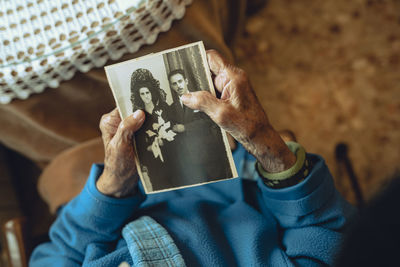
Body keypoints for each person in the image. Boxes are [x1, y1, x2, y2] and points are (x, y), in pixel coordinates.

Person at [30, 50, 355, 266]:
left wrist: (113, 186)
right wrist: (265, 144)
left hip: (99, 207)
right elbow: (331, 234)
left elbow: (57, 253)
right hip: (249, 179)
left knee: (31, 102)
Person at [167, 69, 233, 185]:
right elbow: (172, 127)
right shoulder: (171, 107)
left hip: (208, 153)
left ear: (186, 81)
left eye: (180, 81)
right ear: (171, 86)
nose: (178, 86)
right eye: (174, 84)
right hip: (189, 160)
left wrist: (185, 128)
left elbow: (210, 121)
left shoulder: (202, 97)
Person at [130, 68, 176, 191]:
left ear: (152, 92)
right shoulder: (138, 116)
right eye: (142, 94)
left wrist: (165, 139)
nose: (146, 96)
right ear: (139, 96)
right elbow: (139, 143)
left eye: (148, 92)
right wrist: (152, 146)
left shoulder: (164, 108)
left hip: (172, 154)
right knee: (159, 184)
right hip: (153, 158)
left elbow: (174, 128)